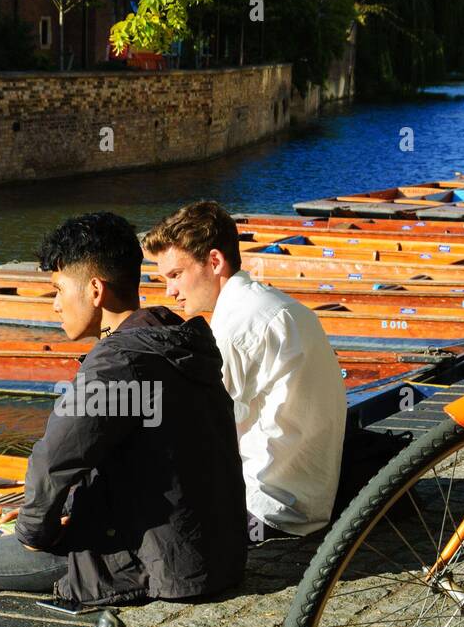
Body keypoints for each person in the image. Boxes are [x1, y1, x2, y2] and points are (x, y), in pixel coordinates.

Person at [0, 212, 246, 612]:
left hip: (157, 565)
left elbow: (52, 462)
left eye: (57, 290)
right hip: (213, 552)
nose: (54, 305)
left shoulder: (116, 363)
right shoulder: (174, 340)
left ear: (94, 290)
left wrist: (34, 533)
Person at [143, 201, 347, 543]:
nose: (169, 292)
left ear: (214, 261)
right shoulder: (273, 304)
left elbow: (200, 434)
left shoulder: (237, 327)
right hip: (310, 497)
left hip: (268, 510)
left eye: (175, 275)